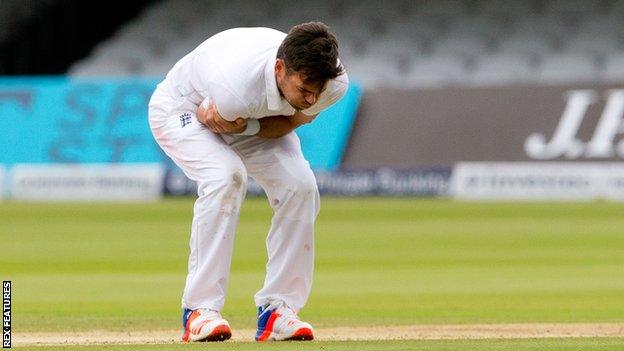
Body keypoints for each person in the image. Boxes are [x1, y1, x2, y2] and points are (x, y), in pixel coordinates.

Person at [148, 22, 348, 342]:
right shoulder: (235, 84)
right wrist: (242, 124)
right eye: (305, 87)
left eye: (318, 90)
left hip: (246, 120)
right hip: (186, 110)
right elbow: (213, 120)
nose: (312, 98)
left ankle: (277, 310)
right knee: (226, 176)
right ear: (280, 69)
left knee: (300, 186)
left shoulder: (334, 84)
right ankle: (199, 310)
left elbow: (287, 123)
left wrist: (249, 127)